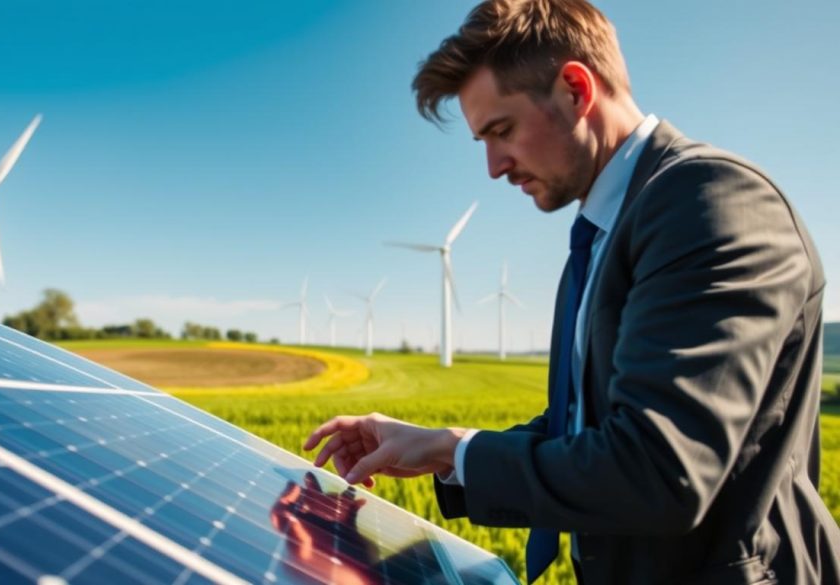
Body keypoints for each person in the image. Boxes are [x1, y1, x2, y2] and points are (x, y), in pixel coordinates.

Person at [303, 1, 840, 583]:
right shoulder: (604, 234)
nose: (492, 166)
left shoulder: (710, 203)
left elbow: (660, 469)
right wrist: (437, 446)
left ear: (576, 89)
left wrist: (456, 452)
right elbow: (587, 424)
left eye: (501, 131)